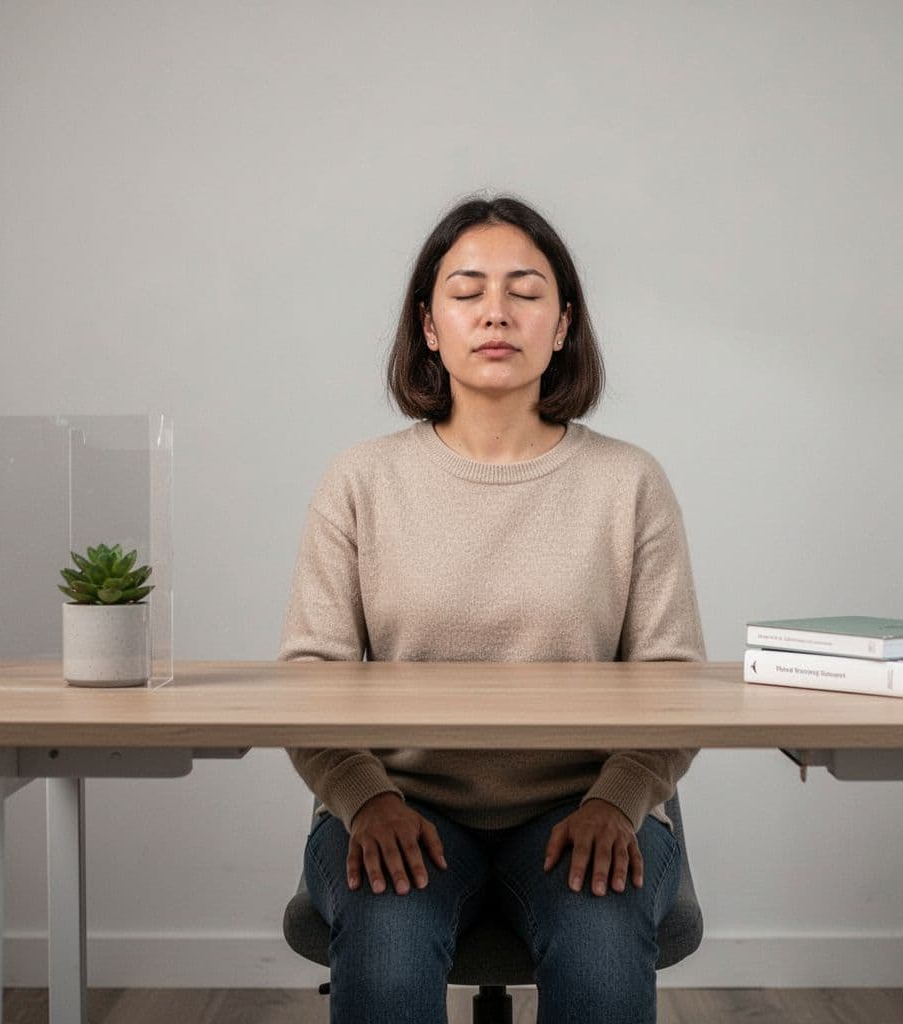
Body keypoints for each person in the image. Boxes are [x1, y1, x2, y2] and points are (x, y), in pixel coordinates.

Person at [278, 193, 705, 1024]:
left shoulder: (629, 482)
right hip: (397, 799)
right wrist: (365, 799)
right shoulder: (360, 480)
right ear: (430, 327)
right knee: (388, 938)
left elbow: (673, 679)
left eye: (526, 290)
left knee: (600, 940)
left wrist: (618, 800)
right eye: (467, 292)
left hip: (587, 801)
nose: (497, 313)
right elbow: (310, 677)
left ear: (565, 323)